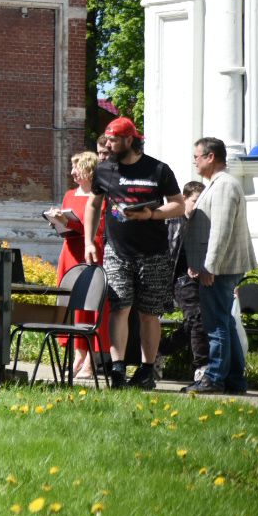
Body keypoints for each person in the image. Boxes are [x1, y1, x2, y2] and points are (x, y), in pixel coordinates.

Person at [83, 116, 183, 390]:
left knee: (149, 313)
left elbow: (178, 206)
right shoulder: (104, 170)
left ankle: (147, 370)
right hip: (117, 251)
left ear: (130, 139)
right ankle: (117, 370)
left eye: (114, 139)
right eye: (108, 139)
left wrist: (151, 213)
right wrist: (89, 242)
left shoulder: (158, 170)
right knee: (119, 308)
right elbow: (93, 204)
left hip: (154, 253)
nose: (109, 144)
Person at [183, 138, 257, 395]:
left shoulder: (224, 185)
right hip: (219, 266)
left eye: (197, 156)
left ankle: (214, 378)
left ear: (211, 157)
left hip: (220, 267)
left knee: (215, 324)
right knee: (224, 322)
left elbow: (221, 230)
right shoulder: (217, 184)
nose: (194, 160)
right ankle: (235, 381)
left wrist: (209, 267)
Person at [52, 150, 110, 378]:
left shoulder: (100, 196)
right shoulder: (69, 195)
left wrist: (70, 223)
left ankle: (92, 360)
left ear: (89, 171)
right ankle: (78, 354)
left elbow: (97, 228)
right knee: (73, 305)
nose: (73, 172)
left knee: (93, 304)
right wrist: (58, 222)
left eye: (77, 168)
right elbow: (69, 227)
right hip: (70, 252)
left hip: (91, 252)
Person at [167, 180, 208, 385]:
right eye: (194, 201)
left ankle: (161, 350)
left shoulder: (203, 222)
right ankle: (201, 368)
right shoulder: (172, 221)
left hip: (201, 278)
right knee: (197, 317)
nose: (198, 206)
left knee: (193, 322)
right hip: (180, 279)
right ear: (184, 199)